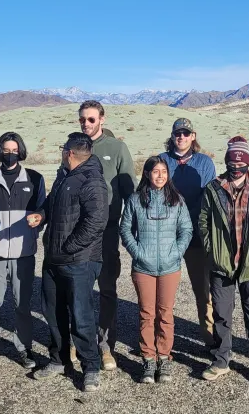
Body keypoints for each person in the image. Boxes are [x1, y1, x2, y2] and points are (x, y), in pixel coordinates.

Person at [33, 132, 109, 393]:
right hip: (54, 259)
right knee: (52, 312)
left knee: (81, 315)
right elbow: (53, 205)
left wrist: (69, 246)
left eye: (62, 149)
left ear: (69, 153)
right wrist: (41, 215)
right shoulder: (64, 176)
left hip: (79, 261)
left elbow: (96, 221)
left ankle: (91, 367)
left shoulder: (92, 180)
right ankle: (59, 359)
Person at [199, 136, 249, 384]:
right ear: (227, 163)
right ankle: (221, 360)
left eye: (241, 167)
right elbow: (203, 222)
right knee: (222, 314)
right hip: (221, 264)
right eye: (232, 166)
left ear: (247, 165)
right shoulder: (213, 189)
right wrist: (212, 250)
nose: (236, 171)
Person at [120, 156, 192, 383]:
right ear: (147, 174)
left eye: (163, 171)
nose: (160, 175)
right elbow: (125, 229)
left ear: (168, 175)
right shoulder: (135, 200)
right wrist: (138, 252)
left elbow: (186, 230)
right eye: (155, 171)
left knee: (165, 313)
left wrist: (176, 252)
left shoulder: (177, 200)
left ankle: (164, 356)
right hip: (143, 267)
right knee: (146, 313)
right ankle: (148, 359)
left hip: (170, 266)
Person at [77, 100, 136, 370]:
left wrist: (134, 230)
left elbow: (129, 192)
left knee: (108, 289)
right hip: (80, 232)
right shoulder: (75, 148)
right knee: (80, 289)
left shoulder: (116, 148)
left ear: (102, 119)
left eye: (91, 119)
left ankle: (106, 346)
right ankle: (81, 342)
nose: (86, 124)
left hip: (109, 231)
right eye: (82, 120)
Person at [0, 132, 46, 370]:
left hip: (24, 252)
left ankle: (24, 348)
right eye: (6, 150)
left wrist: (39, 219)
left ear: (21, 151)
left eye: (14, 150)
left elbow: (43, 210)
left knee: (22, 304)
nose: (10, 154)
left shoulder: (35, 179)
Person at [158, 118, 217, 350]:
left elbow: (212, 198)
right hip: (167, 237)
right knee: (164, 291)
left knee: (203, 290)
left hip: (196, 237)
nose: (181, 137)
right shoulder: (162, 161)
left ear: (193, 136)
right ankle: (162, 342)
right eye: (177, 133)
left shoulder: (205, 163)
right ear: (172, 136)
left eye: (185, 133)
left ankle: (212, 340)